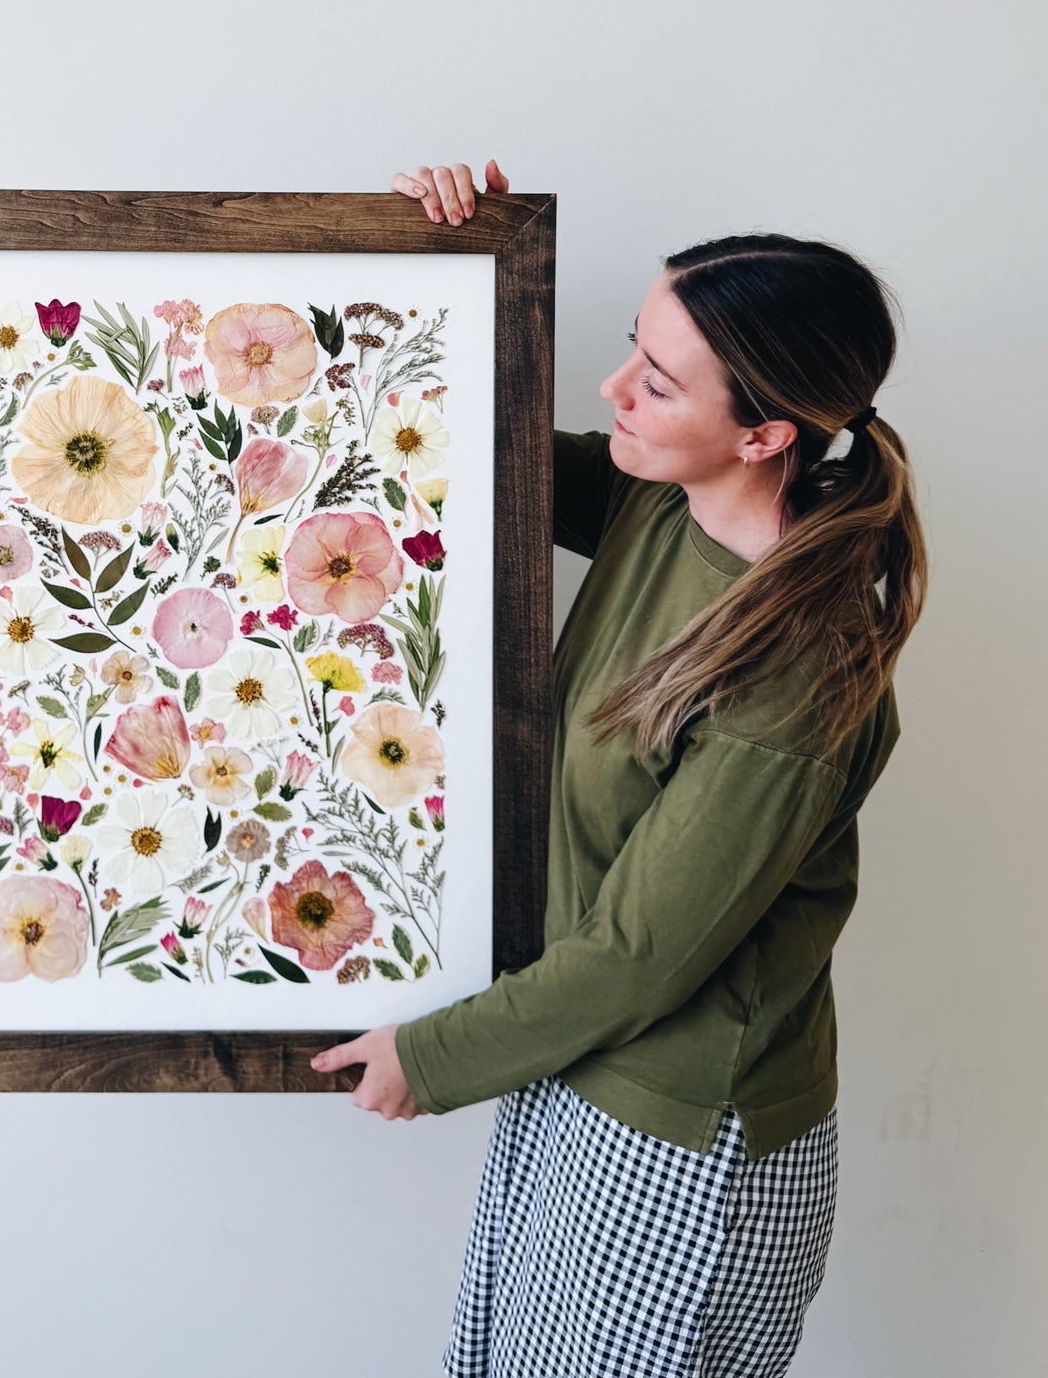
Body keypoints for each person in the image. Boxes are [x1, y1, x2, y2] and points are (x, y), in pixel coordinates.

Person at [310, 160, 927, 1377]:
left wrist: (431, 1059)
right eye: (628, 352)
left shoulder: (795, 660)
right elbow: (448, 446)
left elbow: (643, 951)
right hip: (581, 1060)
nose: (614, 392)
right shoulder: (663, 494)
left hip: (681, 1129)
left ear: (763, 433)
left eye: (654, 379)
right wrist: (448, 251)